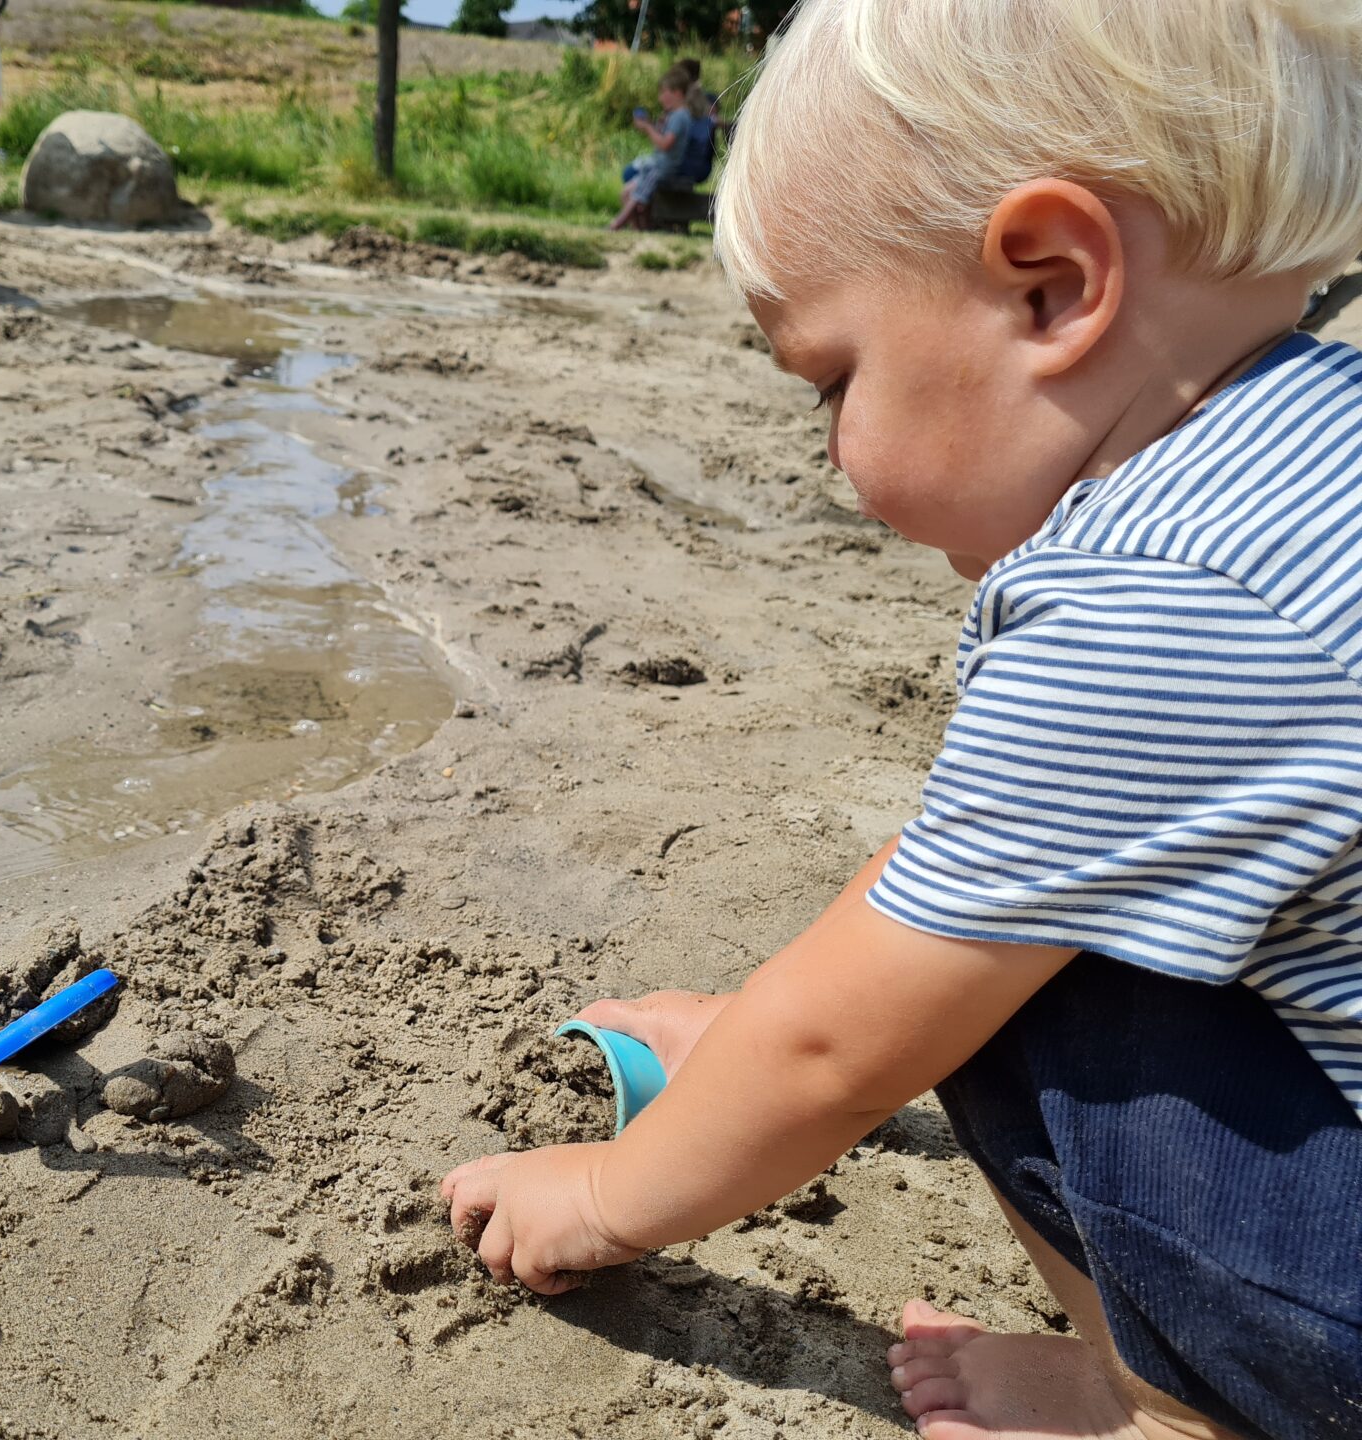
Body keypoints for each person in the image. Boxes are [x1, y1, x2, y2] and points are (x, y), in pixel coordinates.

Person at [443, 3, 1362, 1438]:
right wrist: (747, 1024)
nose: (830, 458)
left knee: (1014, 993)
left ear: (1053, 287)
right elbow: (950, 872)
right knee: (1006, 918)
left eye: (834, 382)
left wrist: (606, 1197)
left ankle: (1170, 1408)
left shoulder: (1164, 595)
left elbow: (847, 1043)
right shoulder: (1309, 446)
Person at [609, 62, 699, 232]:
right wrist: (653, 125)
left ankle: (617, 224)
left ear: (677, 93)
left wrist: (648, 129)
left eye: (664, 93)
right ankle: (640, 230)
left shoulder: (680, 116)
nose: (660, 98)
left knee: (637, 197)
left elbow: (666, 144)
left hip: (663, 169)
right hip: (656, 166)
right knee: (625, 193)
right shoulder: (674, 115)